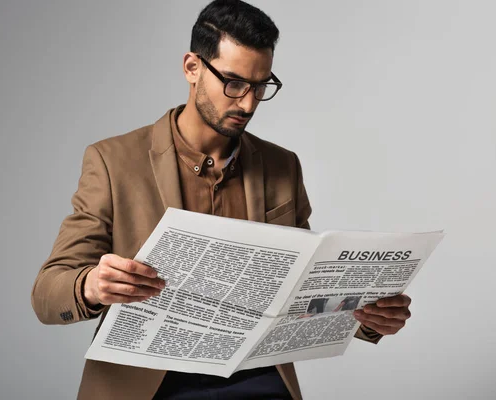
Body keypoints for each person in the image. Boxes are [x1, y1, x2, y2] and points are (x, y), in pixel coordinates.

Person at [31, 1, 412, 398]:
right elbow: (46, 293)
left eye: (260, 85)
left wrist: (370, 318)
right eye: (233, 82)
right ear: (192, 68)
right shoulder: (112, 162)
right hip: (150, 386)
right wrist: (91, 285)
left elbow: (302, 293)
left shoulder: (283, 166)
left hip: (259, 380)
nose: (247, 103)